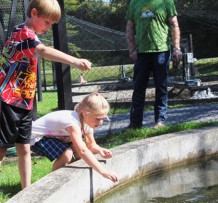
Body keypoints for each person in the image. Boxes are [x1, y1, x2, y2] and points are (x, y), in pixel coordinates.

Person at [0, 0, 92, 203]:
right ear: (34, 13)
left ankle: (27, 192)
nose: (48, 27)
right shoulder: (22, 33)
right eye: (47, 22)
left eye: (52, 24)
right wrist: (74, 61)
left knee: (24, 148)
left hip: (24, 102)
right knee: (0, 148)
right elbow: (43, 51)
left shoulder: (31, 35)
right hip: (7, 99)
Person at [31, 92, 118, 182]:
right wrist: (103, 171)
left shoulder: (87, 121)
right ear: (85, 113)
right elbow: (83, 150)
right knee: (67, 153)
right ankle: (52, 182)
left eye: (103, 118)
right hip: (35, 137)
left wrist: (100, 150)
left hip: (52, 136)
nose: (100, 122)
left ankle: (67, 176)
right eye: (98, 118)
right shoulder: (73, 123)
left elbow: (91, 145)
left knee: (77, 151)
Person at [125, 0, 182, 129]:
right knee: (138, 88)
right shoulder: (134, 3)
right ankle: (135, 123)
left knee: (161, 87)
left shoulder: (166, 1)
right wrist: (131, 49)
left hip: (161, 51)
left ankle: (160, 121)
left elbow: (174, 24)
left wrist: (176, 48)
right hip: (141, 53)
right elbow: (129, 26)